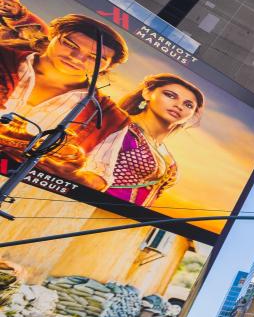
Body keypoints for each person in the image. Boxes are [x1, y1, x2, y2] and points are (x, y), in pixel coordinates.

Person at [0, 14, 130, 169]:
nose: (77, 58)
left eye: (94, 57)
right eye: (70, 45)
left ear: (108, 66)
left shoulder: (111, 118)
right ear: (53, 35)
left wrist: (65, 172)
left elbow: (99, 176)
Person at [79, 73, 205, 206]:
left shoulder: (165, 153)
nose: (179, 106)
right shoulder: (119, 126)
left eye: (189, 105)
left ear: (192, 115)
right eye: (170, 95)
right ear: (147, 93)